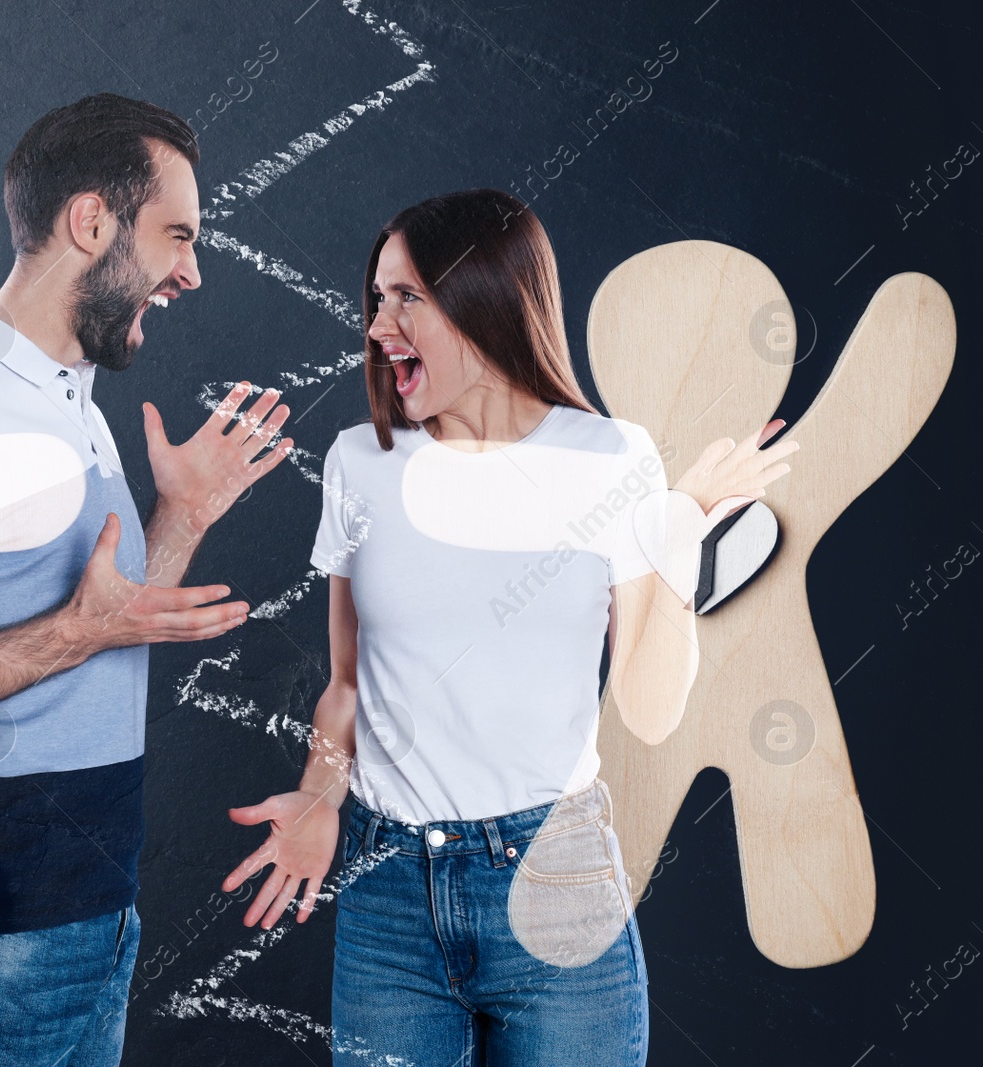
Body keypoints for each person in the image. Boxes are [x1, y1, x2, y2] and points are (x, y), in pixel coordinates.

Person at [223, 189, 797, 1065]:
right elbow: (347, 685)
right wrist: (319, 791)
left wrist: (672, 534)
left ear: (486, 296)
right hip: (389, 895)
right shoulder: (358, 465)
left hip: (556, 881)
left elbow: (648, 706)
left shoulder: (611, 459)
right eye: (377, 299)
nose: (380, 326)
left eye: (407, 297)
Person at [0, 93, 294, 1066]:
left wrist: (184, 517)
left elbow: (97, 618)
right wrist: (78, 630)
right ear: (91, 221)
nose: (190, 271)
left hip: (82, 911)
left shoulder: (58, 398)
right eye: (175, 234)